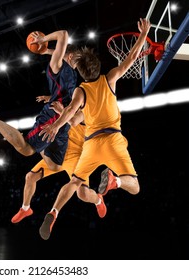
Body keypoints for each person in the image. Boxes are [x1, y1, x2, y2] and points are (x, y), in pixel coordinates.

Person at [38, 18, 151, 240]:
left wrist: (56, 124)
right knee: (135, 186)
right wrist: (143, 35)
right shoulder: (110, 78)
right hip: (113, 140)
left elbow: (72, 112)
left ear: (80, 71)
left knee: (75, 184)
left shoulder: (81, 91)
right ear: (98, 67)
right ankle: (115, 182)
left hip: (91, 143)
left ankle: (54, 211)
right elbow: (130, 58)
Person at [0, 30, 79, 173]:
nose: (80, 61)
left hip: (64, 120)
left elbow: (64, 94)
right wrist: (44, 39)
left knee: (55, 166)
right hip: (53, 117)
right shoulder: (58, 66)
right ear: (70, 55)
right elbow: (63, 34)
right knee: (26, 149)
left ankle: (40, 145)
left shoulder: (70, 72)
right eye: (78, 57)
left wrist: (46, 51)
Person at [11, 100, 107, 223]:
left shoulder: (87, 112)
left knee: (82, 193)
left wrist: (61, 110)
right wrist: (51, 97)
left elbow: (73, 121)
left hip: (75, 157)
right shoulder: (72, 103)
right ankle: (25, 208)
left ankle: (98, 200)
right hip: (59, 153)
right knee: (30, 177)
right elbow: (64, 99)